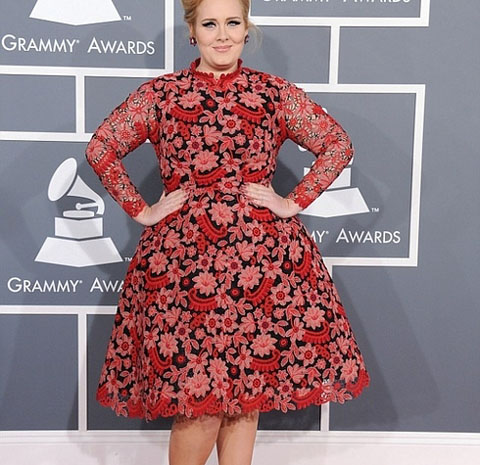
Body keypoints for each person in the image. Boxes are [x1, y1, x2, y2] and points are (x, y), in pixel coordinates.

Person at [85, 0, 370, 463]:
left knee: (244, 396)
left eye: (232, 23)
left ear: (246, 29)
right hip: (183, 266)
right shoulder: (163, 94)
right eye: (210, 24)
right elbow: (102, 148)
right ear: (192, 32)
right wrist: (142, 209)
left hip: (259, 263)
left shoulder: (272, 93)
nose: (222, 35)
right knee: (197, 404)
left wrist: (291, 202)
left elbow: (337, 144)